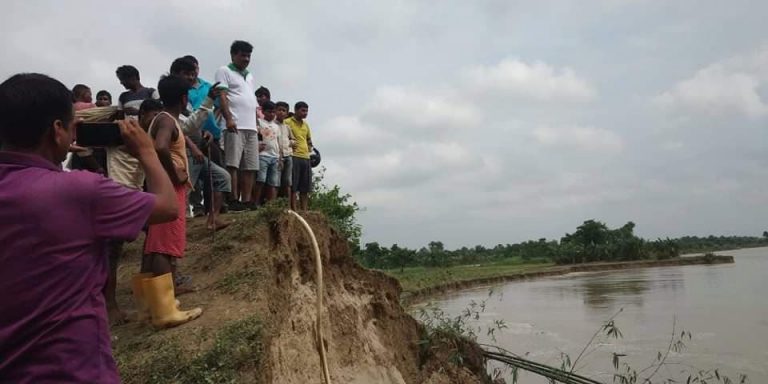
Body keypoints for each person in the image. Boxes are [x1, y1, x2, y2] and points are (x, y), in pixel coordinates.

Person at [0, 73, 178, 383]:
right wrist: (147, 152)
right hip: (74, 370)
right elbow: (167, 207)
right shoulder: (79, 191)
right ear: (57, 131)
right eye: (72, 127)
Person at [141, 76, 202, 320]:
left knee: (155, 245)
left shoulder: (160, 118)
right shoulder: (167, 120)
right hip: (168, 187)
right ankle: (166, 311)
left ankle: (149, 304)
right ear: (184, 98)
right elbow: (160, 147)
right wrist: (175, 171)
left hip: (157, 184)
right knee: (164, 247)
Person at [170, 56, 231, 230]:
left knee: (221, 177)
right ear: (176, 74)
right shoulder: (169, 94)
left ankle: (213, 219)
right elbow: (179, 127)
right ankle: (177, 226)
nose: (191, 77)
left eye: (192, 73)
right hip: (182, 151)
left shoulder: (183, 95)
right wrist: (193, 146)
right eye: (186, 74)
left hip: (195, 147)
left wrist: (203, 132)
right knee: (185, 187)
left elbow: (190, 120)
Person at [214, 40, 259, 211]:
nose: (246, 59)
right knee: (232, 163)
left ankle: (246, 200)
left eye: (248, 56)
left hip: (251, 127)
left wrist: (256, 124)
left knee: (250, 165)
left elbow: (252, 101)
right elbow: (223, 96)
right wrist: (229, 118)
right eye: (243, 55)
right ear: (233, 55)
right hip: (234, 124)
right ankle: (233, 199)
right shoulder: (224, 71)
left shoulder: (249, 75)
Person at [285, 101, 313, 210]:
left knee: (305, 187)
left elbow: (309, 139)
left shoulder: (306, 125)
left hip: (306, 157)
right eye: (303, 110)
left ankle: (304, 210)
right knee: (293, 186)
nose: (305, 113)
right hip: (293, 156)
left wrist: (310, 147)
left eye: (306, 111)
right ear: (296, 110)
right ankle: (294, 209)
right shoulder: (287, 122)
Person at [253, 101, 282, 205]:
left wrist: (280, 157)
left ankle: (271, 205)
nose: (272, 114)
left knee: (273, 182)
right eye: (269, 112)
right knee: (260, 180)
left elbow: (278, 142)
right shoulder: (259, 122)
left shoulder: (276, 126)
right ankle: (255, 203)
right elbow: (256, 135)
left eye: (274, 112)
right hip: (263, 155)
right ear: (264, 112)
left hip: (275, 156)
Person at [275, 101, 295, 198]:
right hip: (277, 156)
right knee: (276, 181)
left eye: (284, 110)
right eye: (279, 110)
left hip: (288, 155)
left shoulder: (287, 127)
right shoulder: (273, 125)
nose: (281, 112)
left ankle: (287, 206)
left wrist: (290, 143)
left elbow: (293, 139)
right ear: (275, 111)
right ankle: (273, 205)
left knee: (287, 181)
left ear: (287, 113)